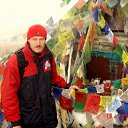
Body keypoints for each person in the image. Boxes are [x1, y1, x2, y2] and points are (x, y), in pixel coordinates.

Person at [1, 24, 78, 128]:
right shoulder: (17, 61)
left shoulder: (48, 57)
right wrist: (15, 123)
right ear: (28, 40)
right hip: (28, 121)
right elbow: (8, 94)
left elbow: (54, 78)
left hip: (48, 118)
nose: (38, 43)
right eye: (34, 39)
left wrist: (67, 86)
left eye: (41, 39)